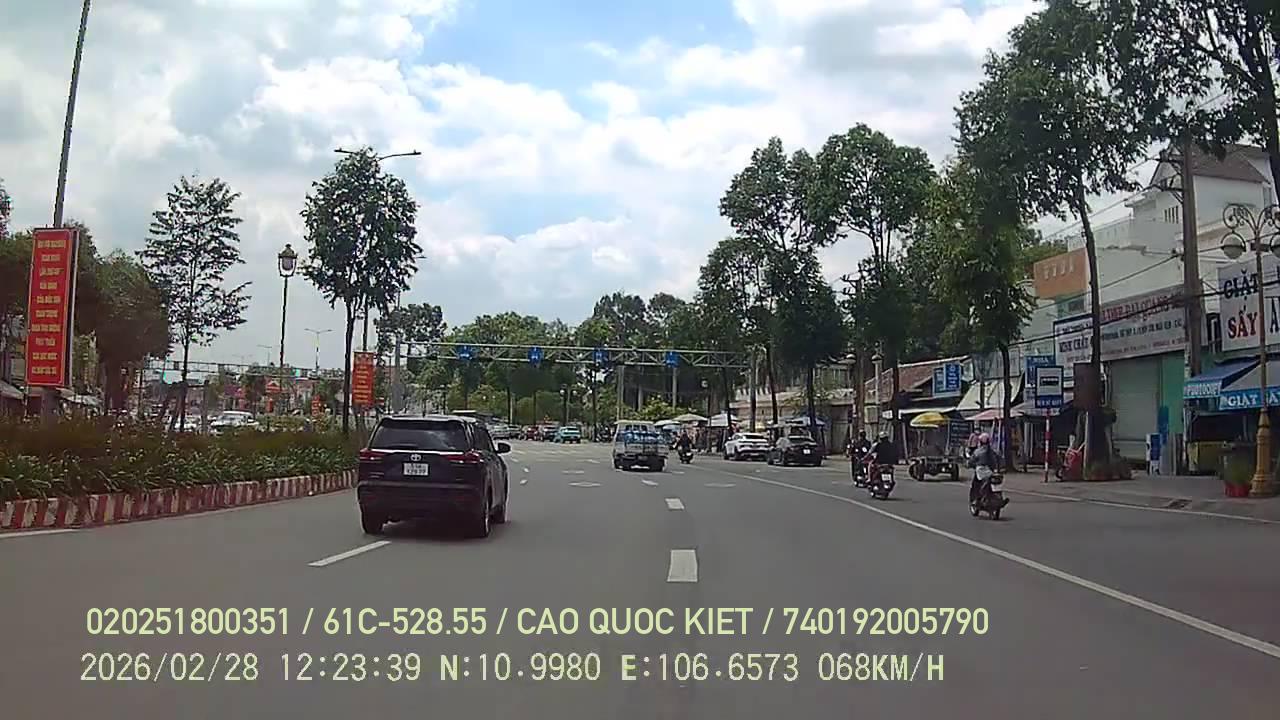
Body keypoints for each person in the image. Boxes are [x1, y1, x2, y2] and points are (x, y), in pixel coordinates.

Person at [967, 432, 998, 503]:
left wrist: (969, 464)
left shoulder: (978, 451)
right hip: (990, 471)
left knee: (976, 483)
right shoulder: (992, 451)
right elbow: (996, 460)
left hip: (981, 471)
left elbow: (971, 461)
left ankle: (977, 499)